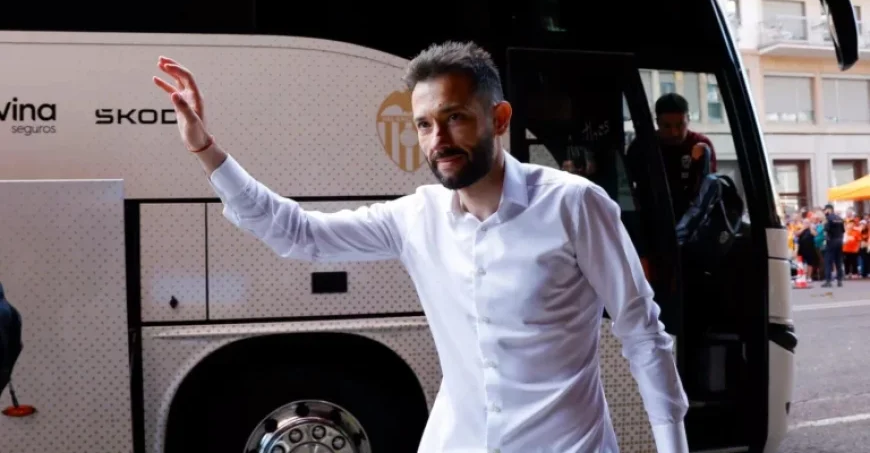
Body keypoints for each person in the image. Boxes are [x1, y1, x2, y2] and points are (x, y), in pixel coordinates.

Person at [152, 41, 689, 453]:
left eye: (455, 117)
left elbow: (643, 333)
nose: (438, 140)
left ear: (499, 119)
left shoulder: (575, 205)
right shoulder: (416, 217)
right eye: (425, 124)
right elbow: (297, 234)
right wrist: (205, 150)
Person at [627, 92, 718, 220]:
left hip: (692, 219)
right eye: (667, 126)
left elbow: (708, 187)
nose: (674, 133)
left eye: (680, 125)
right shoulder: (642, 146)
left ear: (688, 120)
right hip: (651, 217)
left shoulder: (701, 145)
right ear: (657, 122)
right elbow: (627, 186)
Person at [822, 204, 846, 288]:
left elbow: (826, 231)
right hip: (839, 241)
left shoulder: (828, 219)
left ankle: (828, 281)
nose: (824, 212)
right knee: (838, 261)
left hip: (831, 241)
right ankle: (839, 280)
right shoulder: (840, 219)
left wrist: (825, 241)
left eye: (825, 210)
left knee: (828, 261)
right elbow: (843, 231)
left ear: (829, 210)